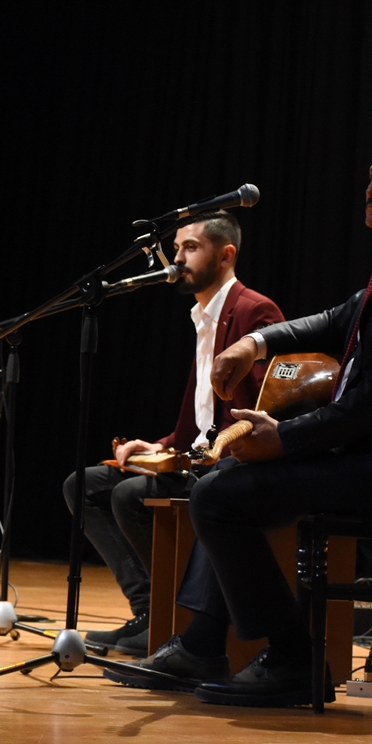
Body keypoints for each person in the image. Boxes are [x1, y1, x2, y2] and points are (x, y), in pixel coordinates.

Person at [168, 124, 372, 707]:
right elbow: (336, 319)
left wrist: (286, 440)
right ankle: (208, 642)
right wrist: (255, 344)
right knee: (220, 484)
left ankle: (292, 658)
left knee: (218, 496)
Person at [62, 210, 284, 662]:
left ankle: (172, 616)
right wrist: (161, 446)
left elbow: (264, 403)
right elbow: (201, 415)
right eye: (176, 247)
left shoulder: (253, 310)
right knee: (83, 486)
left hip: (228, 461)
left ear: (225, 255)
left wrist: (206, 448)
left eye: (189, 248)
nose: (176, 258)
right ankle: (149, 614)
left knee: (128, 496)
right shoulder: (202, 315)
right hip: (195, 455)